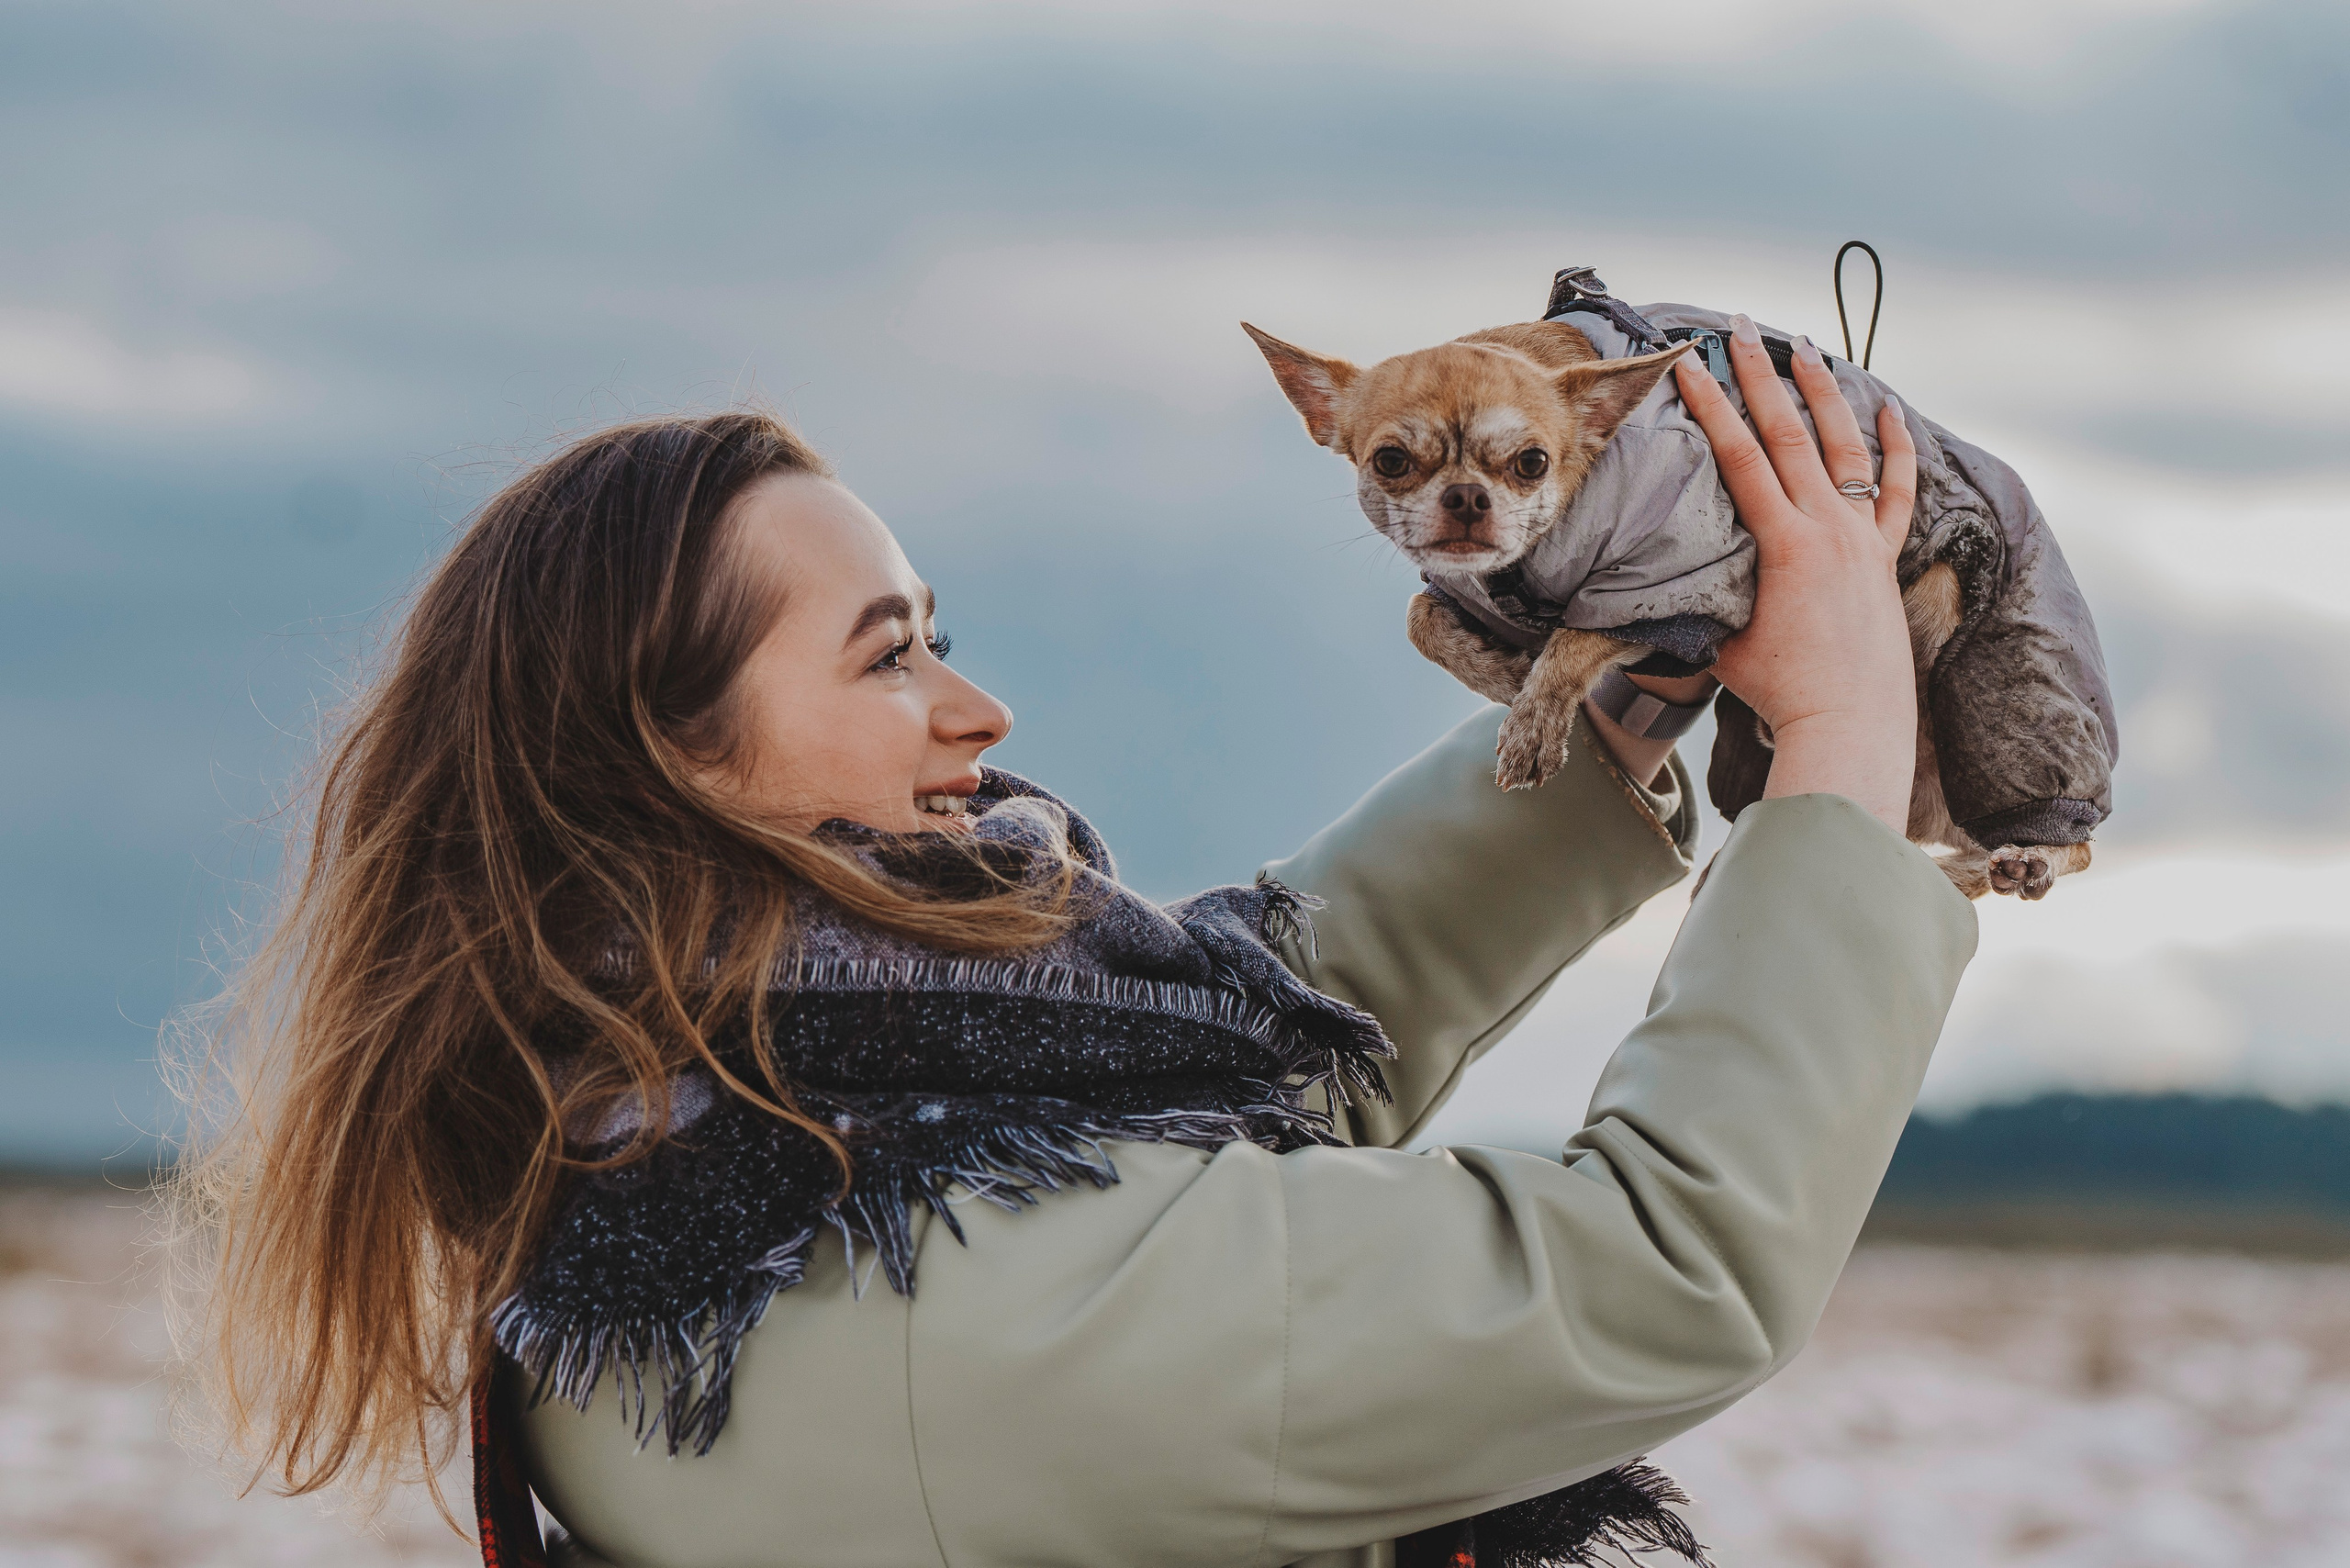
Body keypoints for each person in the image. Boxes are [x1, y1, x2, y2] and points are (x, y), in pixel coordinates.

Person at [175, 322, 1975, 1567]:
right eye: (886, 654)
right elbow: (1659, 1261)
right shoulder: (936, 1292)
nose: (978, 704)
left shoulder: (703, 1139)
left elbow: (1230, 1043)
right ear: (675, 758)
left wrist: (1617, 700)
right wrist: (1836, 740)